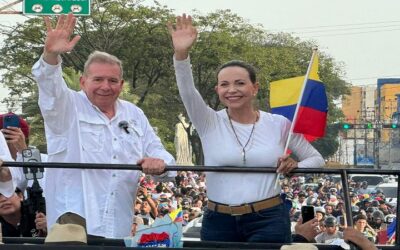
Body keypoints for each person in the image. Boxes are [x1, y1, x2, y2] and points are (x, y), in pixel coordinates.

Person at [0, 14, 175, 239]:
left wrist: (160, 163)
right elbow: (50, 86)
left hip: (118, 226)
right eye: (98, 79)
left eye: (113, 81)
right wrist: (51, 55)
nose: (105, 86)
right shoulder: (67, 106)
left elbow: (161, 155)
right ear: (83, 82)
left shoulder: (134, 114)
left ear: (121, 85)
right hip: (71, 227)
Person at [168, 14, 325, 243]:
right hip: (218, 220)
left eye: (240, 83)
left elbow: (317, 159)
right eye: (225, 84)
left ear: (254, 88)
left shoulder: (279, 124)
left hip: (268, 219)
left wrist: (296, 165)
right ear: (218, 90)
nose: (232, 89)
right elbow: (187, 91)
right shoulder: (208, 121)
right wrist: (181, 55)